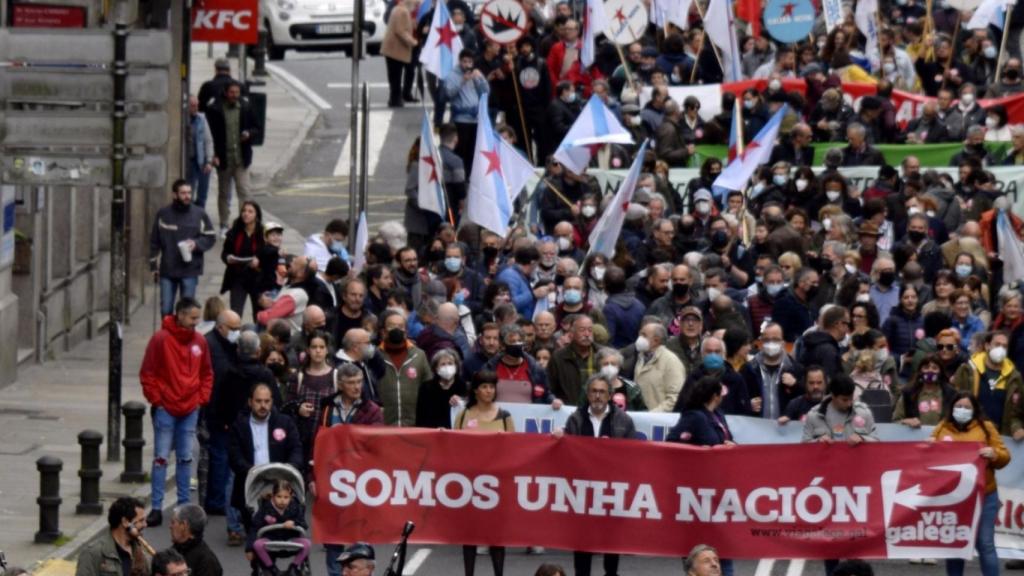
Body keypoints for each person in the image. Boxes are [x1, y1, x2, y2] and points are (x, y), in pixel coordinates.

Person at [140, 297, 212, 526]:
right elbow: (148, 372)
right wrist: (157, 399)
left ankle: (182, 506)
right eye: (192, 318)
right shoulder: (160, 340)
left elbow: (207, 373)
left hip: (189, 408)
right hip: (167, 408)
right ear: (180, 315)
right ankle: (157, 507)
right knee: (161, 458)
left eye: (197, 318)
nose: (196, 323)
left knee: (185, 458)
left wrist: (201, 398)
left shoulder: (199, 342)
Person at [557, 373, 636, 576]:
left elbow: (633, 455)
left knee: (611, 541)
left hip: (612, 490)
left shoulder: (624, 421)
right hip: (583, 490)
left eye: (602, 392)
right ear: (587, 394)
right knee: (583, 541)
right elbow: (566, 453)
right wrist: (560, 438)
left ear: (610, 395)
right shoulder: (575, 419)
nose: (598, 396)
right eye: (594, 391)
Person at [933, 391, 1009, 576]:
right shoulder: (943, 427)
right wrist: (928, 447)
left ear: (974, 410)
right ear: (952, 408)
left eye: (967, 407)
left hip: (984, 495)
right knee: (955, 544)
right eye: (959, 406)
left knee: (985, 544)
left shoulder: (986, 427)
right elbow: (928, 458)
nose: (962, 410)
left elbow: (1005, 456)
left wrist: (995, 454)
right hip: (954, 498)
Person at [454, 371, 511, 576]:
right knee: (470, 534)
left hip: (496, 484)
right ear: (476, 390)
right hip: (470, 483)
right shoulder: (464, 415)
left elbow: (515, 448)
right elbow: (455, 447)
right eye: (485, 387)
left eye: (491, 387)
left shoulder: (504, 416)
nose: (489, 391)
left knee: (496, 535)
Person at [227, 383, 303, 531]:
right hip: (251, 487)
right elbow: (234, 455)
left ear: (272, 402)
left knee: (282, 537)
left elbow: (296, 449)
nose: (263, 405)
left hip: (281, 487)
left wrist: (290, 468)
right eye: (258, 401)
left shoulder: (285, 422)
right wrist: (251, 471)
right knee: (254, 538)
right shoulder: (239, 425)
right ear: (250, 402)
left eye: (267, 401)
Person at [149, 180, 217, 317]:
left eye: (189, 193)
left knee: (187, 311)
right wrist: (153, 266)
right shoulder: (163, 214)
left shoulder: (199, 214)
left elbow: (210, 236)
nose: (187, 196)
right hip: (168, 269)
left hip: (190, 269)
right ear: (175, 195)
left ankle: (185, 337)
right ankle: (168, 337)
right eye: (183, 193)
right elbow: (155, 241)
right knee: (166, 309)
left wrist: (196, 244)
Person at [205, 81, 259, 235]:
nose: (235, 95)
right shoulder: (215, 109)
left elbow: (256, 127)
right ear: (226, 92)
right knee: (224, 192)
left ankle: (245, 223)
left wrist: (249, 134)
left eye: (237, 92)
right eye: (232, 92)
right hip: (224, 159)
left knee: (245, 191)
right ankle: (224, 224)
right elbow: (211, 135)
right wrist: (213, 154)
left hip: (241, 158)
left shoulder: (246, 107)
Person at [952, 331, 1024, 438]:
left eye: (1005, 346)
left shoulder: (1014, 377)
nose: (1001, 349)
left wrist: (1016, 427)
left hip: (1000, 437)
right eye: (997, 344)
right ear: (987, 346)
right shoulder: (968, 370)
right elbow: (953, 401)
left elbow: (1016, 412)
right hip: (969, 434)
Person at [378, 309, 433, 426]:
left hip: (413, 426)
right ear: (383, 332)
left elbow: (429, 387)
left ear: (406, 331)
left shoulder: (419, 355)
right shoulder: (375, 357)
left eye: (400, 326)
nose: (397, 329)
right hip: (383, 426)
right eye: (392, 326)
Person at [246, 479, 311, 575]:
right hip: (271, 538)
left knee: (307, 544)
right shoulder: (265, 508)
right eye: (279, 496)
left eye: (286, 497)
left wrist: (294, 522)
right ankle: (271, 568)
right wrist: (249, 549)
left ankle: (294, 567)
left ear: (291, 497)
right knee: (257, 545)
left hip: (290, 538)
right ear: (273, 496)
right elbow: (255, 527)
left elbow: (304, 524)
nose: (282, 500)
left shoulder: (295, 507)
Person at [75, 497, 150, 576]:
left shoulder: (140, 553)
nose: (145, 524)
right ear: (125, 522)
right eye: (141, 520)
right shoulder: (93, 553)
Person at [220, 201, 265, 320]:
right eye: (244, 211)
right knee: (235, 314)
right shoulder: (234, 232)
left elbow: (269, 254)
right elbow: (225, 253)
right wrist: (228, 258)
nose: (246, 214)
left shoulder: (263, 233)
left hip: (257, 278)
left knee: (259, 314)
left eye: (250, 211)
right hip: (238, 277)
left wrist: (259, 261)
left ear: (257, 215)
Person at [633, 322, 685, 412]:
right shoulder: (641, 358)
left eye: (644, 335)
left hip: (659, 421)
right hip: (641, 417)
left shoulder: (671, 361)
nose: (639, 338)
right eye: (640, 334)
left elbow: (675, 398)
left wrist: (651, 415)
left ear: (656, 340)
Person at [893, 354, 955, 427]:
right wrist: (907, 421)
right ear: (920, 371)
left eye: (935, 368)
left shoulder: (950, 393)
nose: (930, 370)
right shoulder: (908, 393)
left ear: (940, 372)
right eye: (926, 367)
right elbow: (896, 420)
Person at [381, 0, 418, 107]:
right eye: (415, 4)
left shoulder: (399, 9)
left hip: (393, 49)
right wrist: (413, 42)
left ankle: (395, 98)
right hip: (395, 49)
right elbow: (401, 31)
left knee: (394, 76)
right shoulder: (402, 11)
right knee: (395, 77)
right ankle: (395, 99)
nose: (416, 7)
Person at [169, 505, 222, 576]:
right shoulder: (176, 549)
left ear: (184, 525)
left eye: (173, 522)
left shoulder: (207, 562)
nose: (170, 527)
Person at [185, 95, 215, 209]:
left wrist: (209, 161)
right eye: (192, 106)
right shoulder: (183, 119)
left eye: (197, 105)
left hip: (201, 161)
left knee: (202, 193)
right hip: (189, 161)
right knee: (189, 192)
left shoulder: (201, 118)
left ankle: (200, 216)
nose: (196, 108)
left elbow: (208, 141)